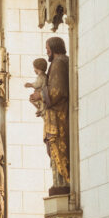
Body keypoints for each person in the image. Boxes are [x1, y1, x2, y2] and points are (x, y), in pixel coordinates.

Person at [44, 36, 70, 194]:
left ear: (54, 48)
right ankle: (60, 182)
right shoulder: (59, 62)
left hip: (59, 116)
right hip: (55, 114)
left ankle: (64, 181)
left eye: (47, 48)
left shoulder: (59, 63)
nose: (46, 51)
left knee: (59, 147)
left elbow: (57, 91)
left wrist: (41, 95)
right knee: (54, 148)